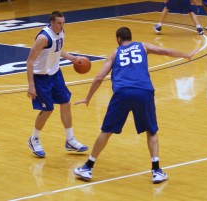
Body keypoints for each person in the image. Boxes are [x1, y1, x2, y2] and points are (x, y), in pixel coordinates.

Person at [73, 27, 197, 183]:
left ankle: (88, 167)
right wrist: (186, 55)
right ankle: (156, 170)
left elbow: (99, 77)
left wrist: (87, 97)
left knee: (106, 131)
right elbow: (167, 51)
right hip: (143, 91)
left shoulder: (115, 53)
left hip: (122, 93)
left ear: (118, 39)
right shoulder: (143, 46)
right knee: (151, 131)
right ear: (131, 37)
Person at [26, 11, 88, 158]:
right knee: (48, 110)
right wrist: (31, 85)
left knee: (66, 103)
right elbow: (29, 62)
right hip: (41, 77)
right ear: (52, 22)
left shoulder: (61, 32)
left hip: (55, 74)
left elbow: (57, 50)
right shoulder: (43, 38)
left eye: (63, 23)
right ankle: (34, 139)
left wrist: (72, 58)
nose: (62, 25)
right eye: (59, 23)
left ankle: (70, 139)